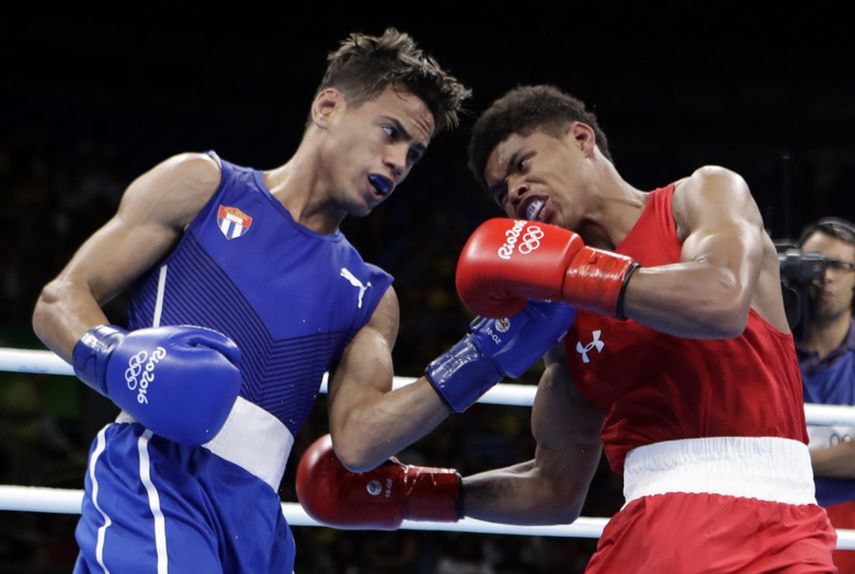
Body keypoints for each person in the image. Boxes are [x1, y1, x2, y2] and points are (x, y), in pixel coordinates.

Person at [31, 30, 576, 572]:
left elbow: (360, 442)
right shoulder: (201, 185)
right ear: (328, 106)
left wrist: (481, 355)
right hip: (156, 472)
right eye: (389, 133)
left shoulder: (369, 294)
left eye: (412, 154)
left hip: (258, 523)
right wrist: (123, 362)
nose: (397, 163)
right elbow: (60, 300)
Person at [297, 85, 837, 572]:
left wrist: (575, 273)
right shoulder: (561, 318)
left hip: (777, 531)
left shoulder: (700, 197)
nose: (512, 190)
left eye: (521, 163)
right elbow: (554, 489)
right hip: (652, 537)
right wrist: (422, 493)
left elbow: (721, 301)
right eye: (499, 189)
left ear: (581, 139)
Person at [798, 217, 855, 572]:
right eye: (815, 264)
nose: (826, 277)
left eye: (838, 265)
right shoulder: (767, 350)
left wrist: (785, 456)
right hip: (781, 515)